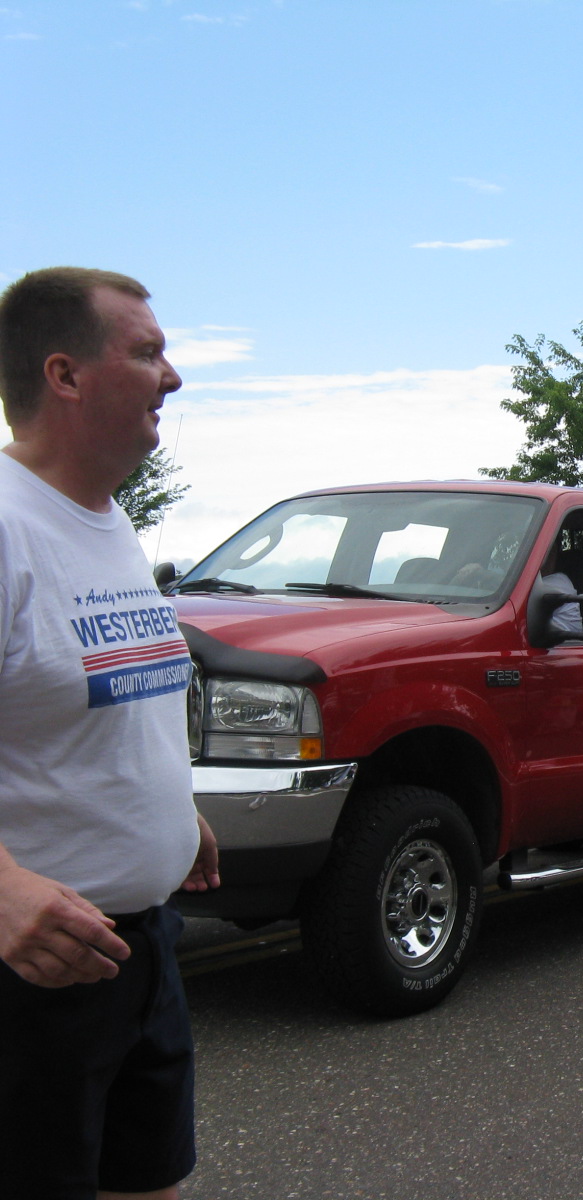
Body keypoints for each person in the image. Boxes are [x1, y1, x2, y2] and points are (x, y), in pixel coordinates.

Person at [0, 267, 221, 1198]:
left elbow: (98, 690)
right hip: (30, 983)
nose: (172, 377)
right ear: (65, 375)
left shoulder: (104, 516)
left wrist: (173, 811)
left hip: (141, 950)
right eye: (146, 352)